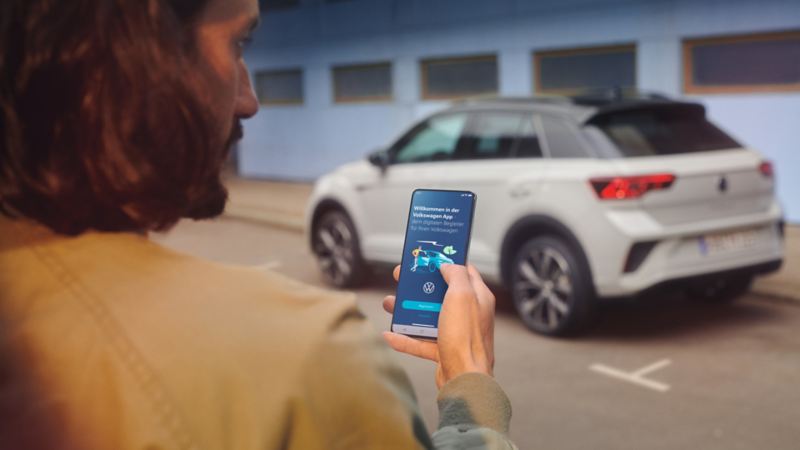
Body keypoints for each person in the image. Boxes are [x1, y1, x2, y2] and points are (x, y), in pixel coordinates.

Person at [0, 0, 518, 449]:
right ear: (131, 55)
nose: (249, 101)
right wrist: (471, 383)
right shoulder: (304, 356)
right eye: (238, 43)